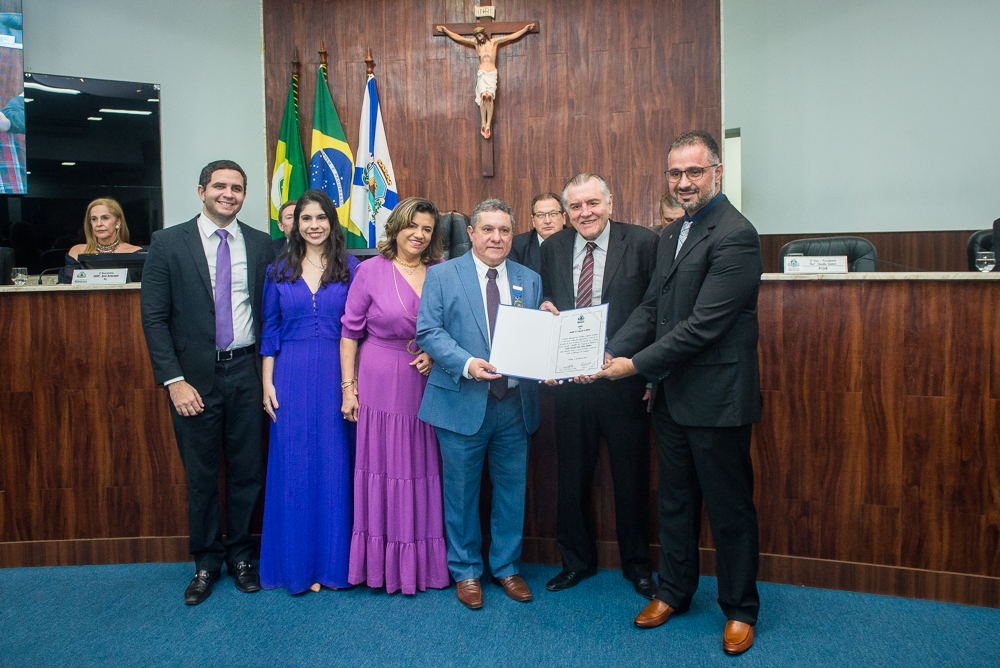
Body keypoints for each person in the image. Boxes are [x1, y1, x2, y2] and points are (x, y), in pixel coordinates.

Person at [594, 131, 763, 656]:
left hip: (717, 398)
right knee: (675, 501)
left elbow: (703, 326)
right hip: (668, 396)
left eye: (694, 172)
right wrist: (605, 353)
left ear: (716, 172)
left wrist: (631, 366)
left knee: (728, 508)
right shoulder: (671, 235)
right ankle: (675, 591)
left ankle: (739, 609)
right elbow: (650, 310)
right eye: (675, 174)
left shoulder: (736, 234)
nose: (683, 182)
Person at [140, 160, 274, 605]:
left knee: (247, 472)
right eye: (220, 186)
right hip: (193, 378)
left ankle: (240, 557)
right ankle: (205, 563)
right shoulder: (167, 243)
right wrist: (173, 381)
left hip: (247, 372)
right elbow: (154, 319)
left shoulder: (260, 245)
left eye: (237, 188)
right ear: (202, 192)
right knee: (201, 475)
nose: (229, 194)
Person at [416, 198, 544, 610]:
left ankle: (506, 567)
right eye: (487, 229)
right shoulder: (442, 275)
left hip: (514, 405)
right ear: (471, 233)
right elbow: (428, 332)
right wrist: (468, 363)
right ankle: (466, 571)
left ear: (513, 234)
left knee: (511, 492)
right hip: (461, 401)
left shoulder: (530, 278)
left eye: (504, 230)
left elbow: (534, 337)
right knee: (461, 493)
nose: (496, 237)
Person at [537, 174, 658, 599]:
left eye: (593, 203)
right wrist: (543, 307)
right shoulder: (551, 248)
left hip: (622, 380)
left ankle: (638, 567)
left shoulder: (643, 242)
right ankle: (576, 563)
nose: (585, 212)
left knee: (631, 477)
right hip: (570, 386)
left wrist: (611, 352)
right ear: (566, 213)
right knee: (571, 476)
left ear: (610, 202)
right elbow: (546, 300)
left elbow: (652, 307)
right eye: (576, 206)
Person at [340, 197, 449, 595]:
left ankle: (424, 566)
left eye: (427, 229)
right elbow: (350, 333)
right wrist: (348, 389)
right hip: (380, 378)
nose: (419, 235)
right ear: (397, 227)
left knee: (422, 466)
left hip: (428, 383)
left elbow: (455, 329)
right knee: (385, 467)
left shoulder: (442, 271)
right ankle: (383, 567)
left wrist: (434, 354)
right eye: (412, 226)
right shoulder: (369, 270)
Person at [259, 189, 358, 594]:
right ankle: (297, 566)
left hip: (339, 374)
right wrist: (266, 382)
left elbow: (358, 329)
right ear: (294, 224)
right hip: (290, 375)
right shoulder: (278, 269)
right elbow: (269, 330)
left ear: (332, 223)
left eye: (321, 217)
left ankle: (332, 566)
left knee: (336, 465)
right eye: (305, 218)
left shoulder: (351, 267)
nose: (314, 225)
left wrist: (353, 384)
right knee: (294, 467)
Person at [437, 23, 536, 139]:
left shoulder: (494, 42)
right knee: (484, 95)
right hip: (482, 74)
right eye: (477, 36)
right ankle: (483, 123)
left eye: (480, 35)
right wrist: (446, 31)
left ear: (484, 34)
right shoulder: (476, 44)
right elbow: (459, 38)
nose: (479, 38)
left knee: (490, 97)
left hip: (492, 73)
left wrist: (525, 29)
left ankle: (487, 125)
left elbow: (511, 36)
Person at [59, 198, 144, 283]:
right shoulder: (77, 251)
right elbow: (63, 287)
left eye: (105, 218)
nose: (99, 224)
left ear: (117, 222)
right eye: (94, 219)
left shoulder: (136, 253)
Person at [509, 192, 566, 273]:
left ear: (563, 218)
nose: (547, 221)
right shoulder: (517, 246)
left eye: (553, 214)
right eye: (540, 215)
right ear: (533, 221)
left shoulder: (574, 241)